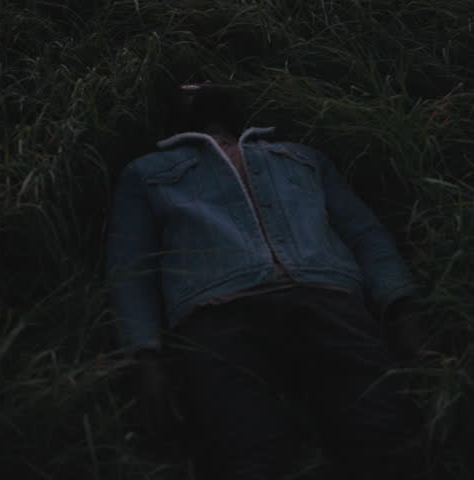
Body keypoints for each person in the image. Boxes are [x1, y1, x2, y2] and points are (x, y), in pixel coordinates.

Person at [105, 81, 433, 479]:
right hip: (218, 317)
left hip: (330, 302)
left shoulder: (301, 157)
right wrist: (144, 357)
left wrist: (401, 307)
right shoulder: (145, 172)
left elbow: (366, 234)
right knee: (245, 451)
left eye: (204, 83)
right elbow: (130, 269)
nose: (195, 86)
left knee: (384, 432)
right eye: (184, 86)